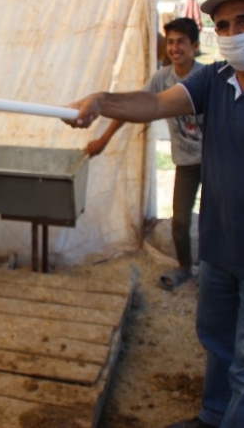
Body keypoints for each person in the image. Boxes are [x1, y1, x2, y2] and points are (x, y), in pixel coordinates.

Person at [65, 0, 244, 428]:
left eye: (243, 21)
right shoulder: (214, 80)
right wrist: (101, 100)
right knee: (218, 345)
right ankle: (211, 417)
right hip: (219, 251)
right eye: (222, 25)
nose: (231, 32)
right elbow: (154, 103)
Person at [85, 17, 203, 291]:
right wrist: (102, 139)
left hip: (216, 159)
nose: (175, 48)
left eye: (182, 43)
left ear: (195, 46)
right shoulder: (162, 79)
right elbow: (133, 106)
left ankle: (222, 274)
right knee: (181, 221)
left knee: (223, 218)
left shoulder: (205, 77)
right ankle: (185, 268)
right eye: (171, 42)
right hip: (186, 162)